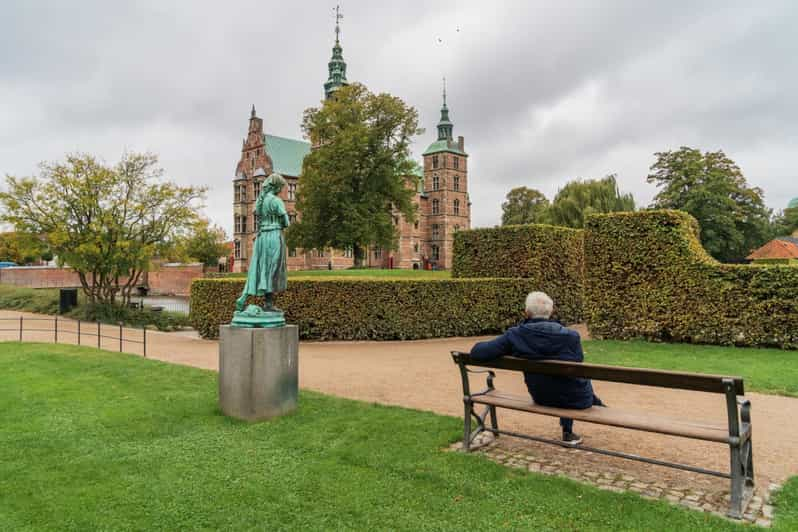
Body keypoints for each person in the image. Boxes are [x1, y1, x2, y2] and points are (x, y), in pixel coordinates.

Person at [470, 291, 603, 445]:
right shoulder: (571, 336)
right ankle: (571, 427)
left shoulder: (516, 335)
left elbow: (477, 352)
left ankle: (593, 405)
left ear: (526, 313)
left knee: (557, 380)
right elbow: (577, 365)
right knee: (570, 379)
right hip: (577, 399)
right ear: (551, 311)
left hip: (541, 396)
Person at [235, 173, 290, 313]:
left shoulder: (260, 202)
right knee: (273, 270)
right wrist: (279, 223)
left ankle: (252, 299)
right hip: (273, 235)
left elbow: (258, 217)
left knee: (261, 269)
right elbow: (286, 222)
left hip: (261, 238)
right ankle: (268, 303)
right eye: (281, 187)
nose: (281, 190)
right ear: (276, 186)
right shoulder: (276, 201)